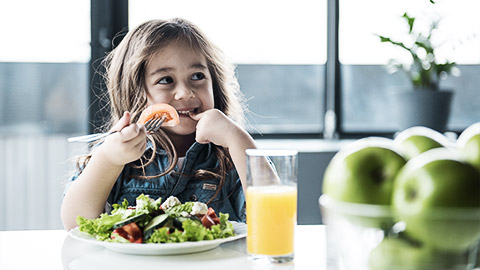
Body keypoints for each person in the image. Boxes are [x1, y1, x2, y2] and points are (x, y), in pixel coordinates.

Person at [61, 18, 256, 231]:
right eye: (166, 80)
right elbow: (75, 223)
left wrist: (238, 140)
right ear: (135, 92)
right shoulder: (116, 153)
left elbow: (273, 220)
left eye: (197, 76)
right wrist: (108, 159)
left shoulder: (229, 155)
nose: (185, 93)